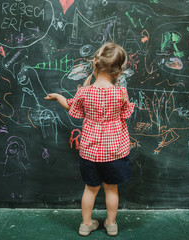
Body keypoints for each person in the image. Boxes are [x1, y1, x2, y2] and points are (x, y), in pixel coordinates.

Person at [44, 42, 135, 236]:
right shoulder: (120, 93)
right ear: (118, 72)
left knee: (90, 189)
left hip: (90, 151)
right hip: (115, 151)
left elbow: (73, 110)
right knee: (111, 189)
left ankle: (86, 224)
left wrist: (60, 98)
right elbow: (126, 114)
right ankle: (111, 224)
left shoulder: (84, 92)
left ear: (95, 63)